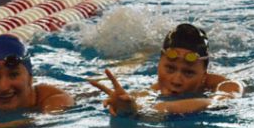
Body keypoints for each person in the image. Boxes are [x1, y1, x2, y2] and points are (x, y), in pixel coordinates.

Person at [88, 23, 242, 117]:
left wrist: (150, 110)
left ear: (204, 74)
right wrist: (128, 107)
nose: (176, 80)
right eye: (169, 68)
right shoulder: (151, 91)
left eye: (188, 72)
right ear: (158, 64)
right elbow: (136, 101)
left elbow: (217, 102)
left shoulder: (229, 85)